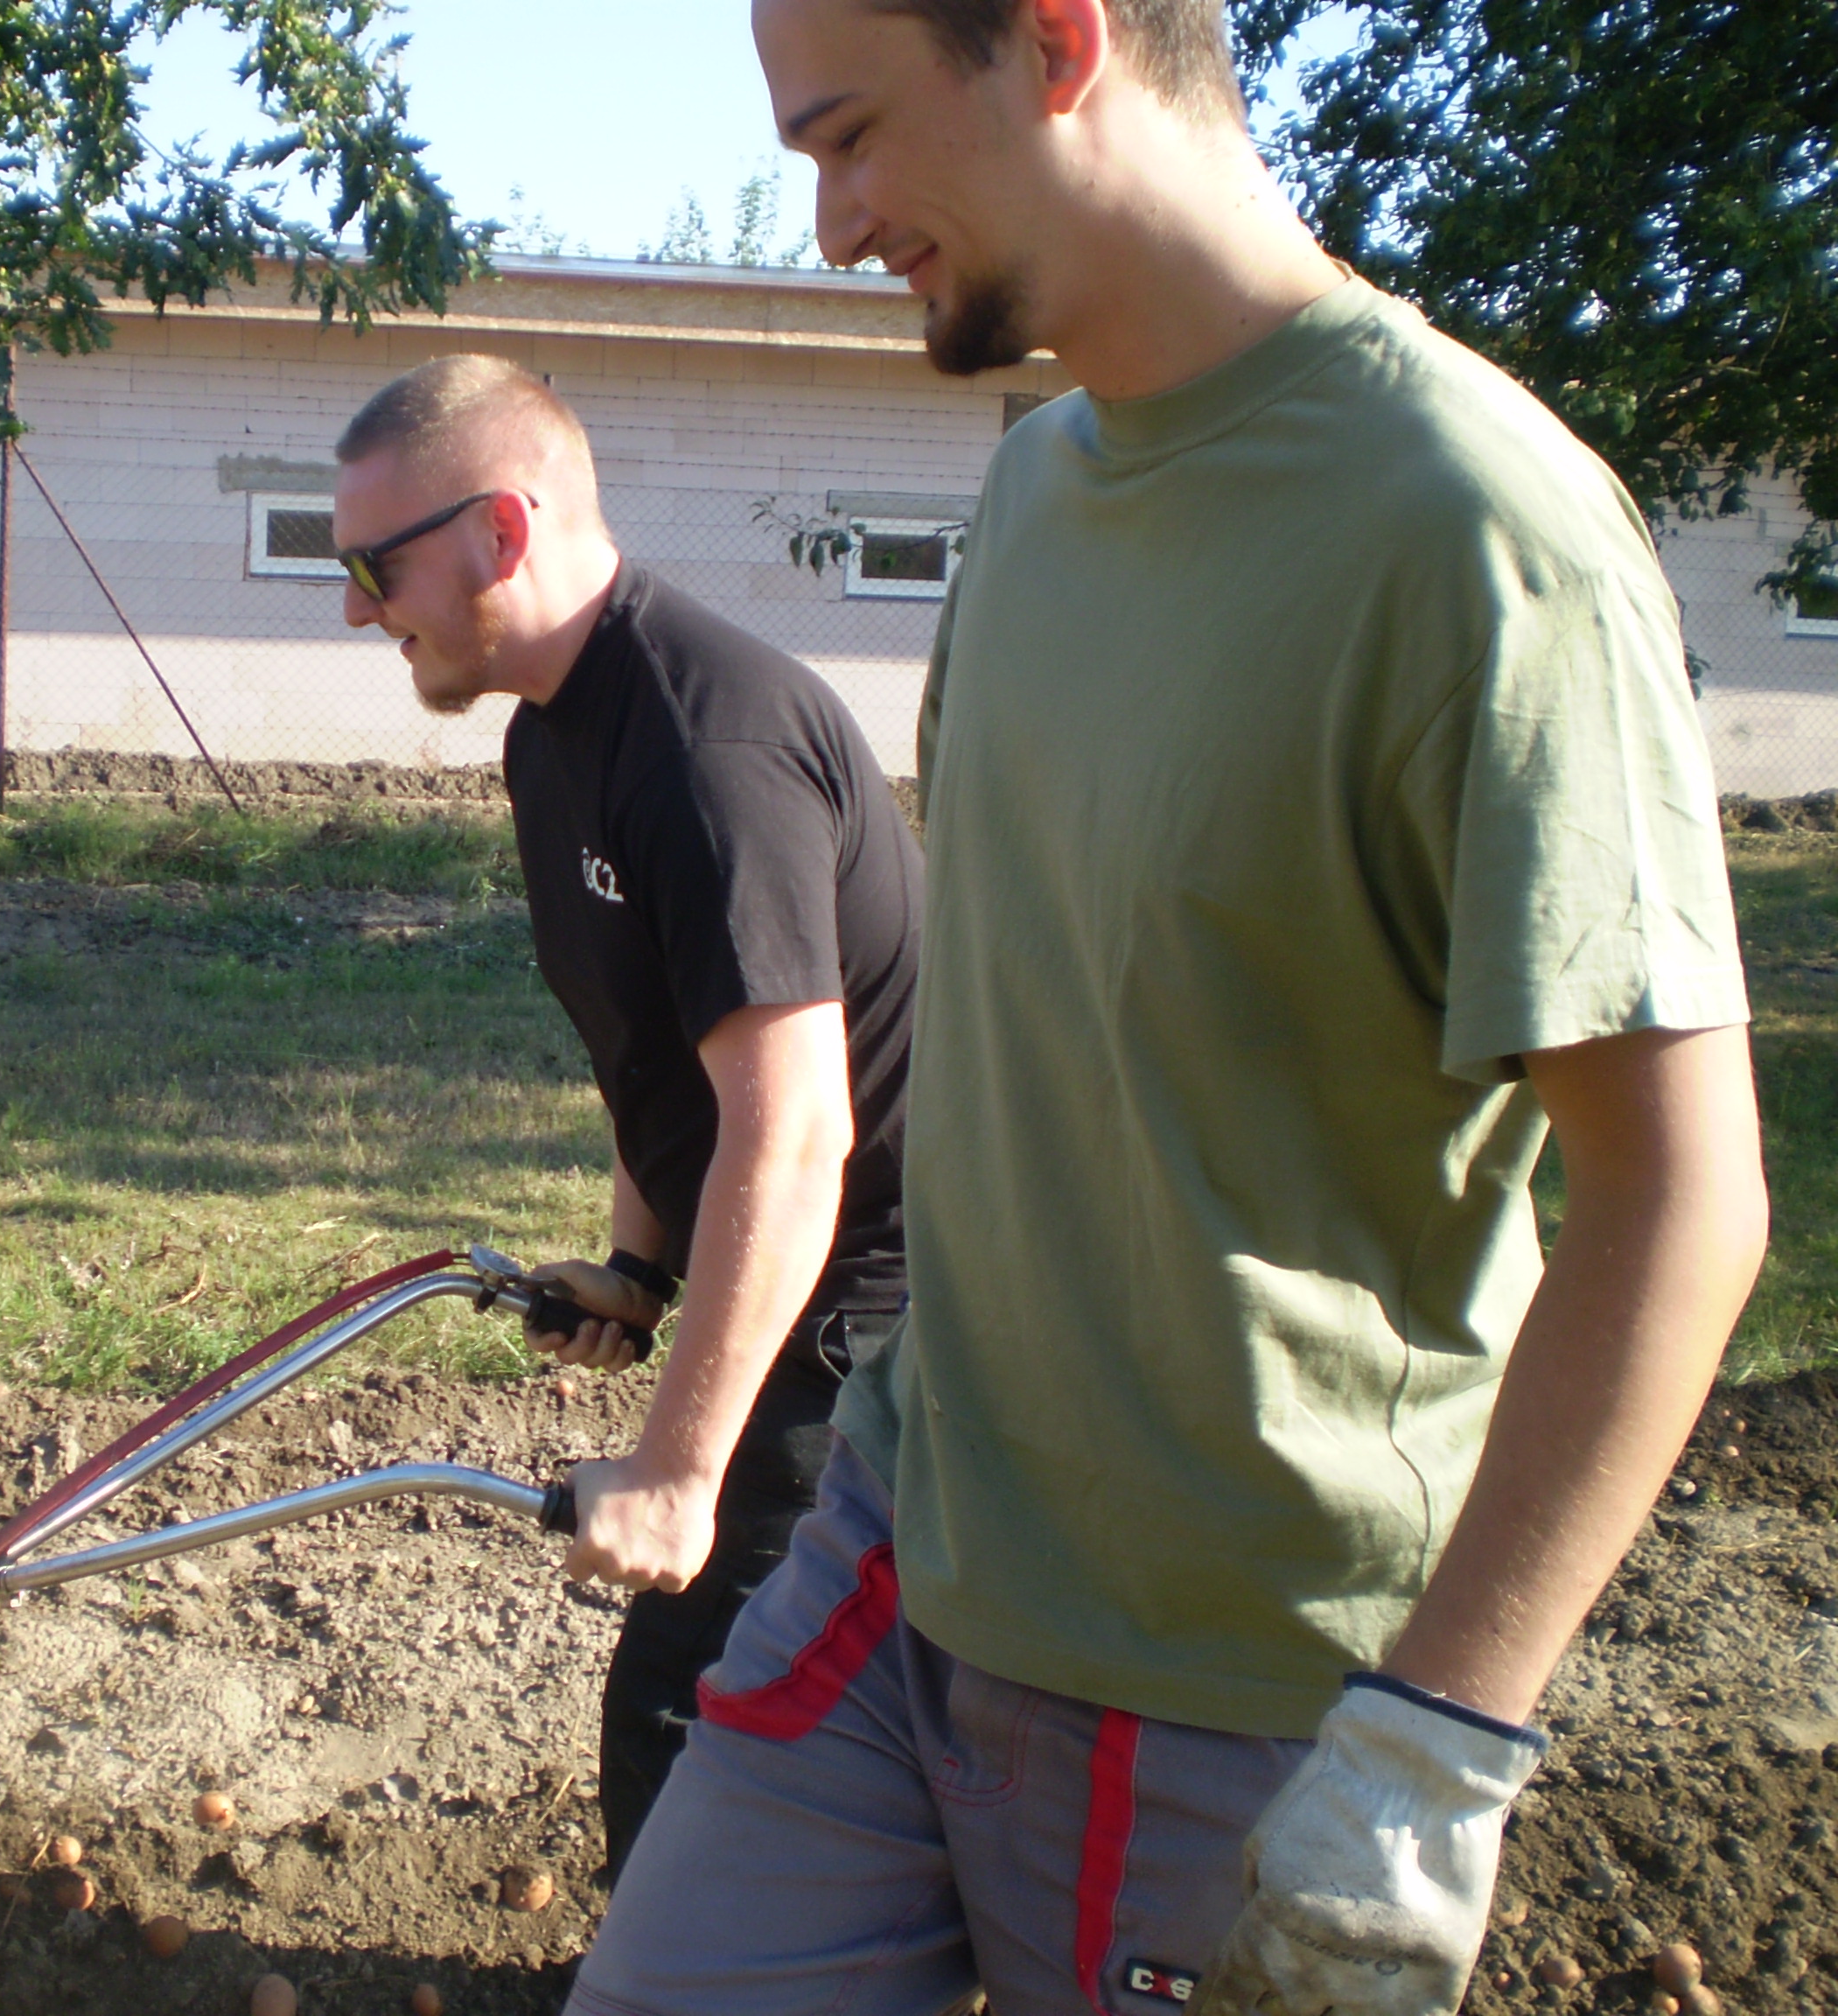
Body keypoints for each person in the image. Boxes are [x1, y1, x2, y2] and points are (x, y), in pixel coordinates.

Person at [565, 1, 1770, 2012]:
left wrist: (1430, 1753)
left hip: (1219, 1682)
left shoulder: (1474, 536)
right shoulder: (1032, 492)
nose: (830, 223)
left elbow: (1680, 1200)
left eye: (848, 137)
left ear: (1051, 41)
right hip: (901, 1546)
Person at [329, 355, 922, 1880]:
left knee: (690, 1707)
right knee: (735, 1714)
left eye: (372, 565)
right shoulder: (551, 739)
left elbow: (793, 1132)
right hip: (786, 1267)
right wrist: (636, 1267)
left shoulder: (705, 745)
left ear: (500, 533)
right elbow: (650, 1047)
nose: (353, 608)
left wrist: (677, 1466)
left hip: (894, 1309)